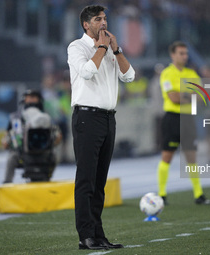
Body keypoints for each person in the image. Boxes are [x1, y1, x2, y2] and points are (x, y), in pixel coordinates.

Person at [67, 5, 135, 250]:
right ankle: (85, 235)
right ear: (87, 24)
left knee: (99, 181)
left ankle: (98, 234)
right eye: (98, 19)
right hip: (86, 118)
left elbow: (129, 77)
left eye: (105, 18)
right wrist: (103, 48)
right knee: (86, 180)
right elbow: (86, 72)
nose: (104, 23)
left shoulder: (110, 49)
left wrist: (116, 50)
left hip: (108, 119)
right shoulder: (77, 47)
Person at [157, 41, 210, 205]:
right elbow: (173, 98)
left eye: (186, 53)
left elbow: (201, 99)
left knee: (191, 157)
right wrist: (189, 95)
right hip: (173, 118)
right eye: (181, 53)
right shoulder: (167, 73)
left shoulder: (192, 74)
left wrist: (183, 96)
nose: (184, 56)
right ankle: (162, 194)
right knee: (167, 156)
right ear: (173, 55)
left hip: (188, 119)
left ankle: (198, 194)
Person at [2, 89, 62, 183]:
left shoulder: (47, 117)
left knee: (55, 156)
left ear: (39, 100)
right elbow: (6, 138)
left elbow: (57, 136)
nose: (31, 100)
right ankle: (6, 183)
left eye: (33, 97)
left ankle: (47, 178)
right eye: (28, 97)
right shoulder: (15, 118)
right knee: (11, 158)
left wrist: (52, 142)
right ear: (24, 100)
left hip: (43, 152)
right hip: (22, 153)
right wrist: (7, 141)